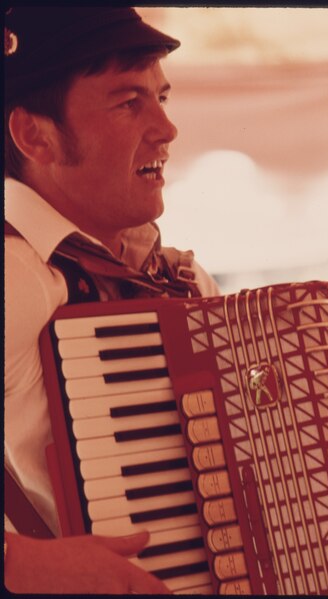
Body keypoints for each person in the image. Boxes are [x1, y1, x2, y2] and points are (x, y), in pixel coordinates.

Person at [4, 7, 219, 594]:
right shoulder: (15, 275)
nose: (166, 128)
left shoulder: (180, 278)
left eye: (162, 97)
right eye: (129, 102)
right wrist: (23, 566)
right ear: (35, 135)